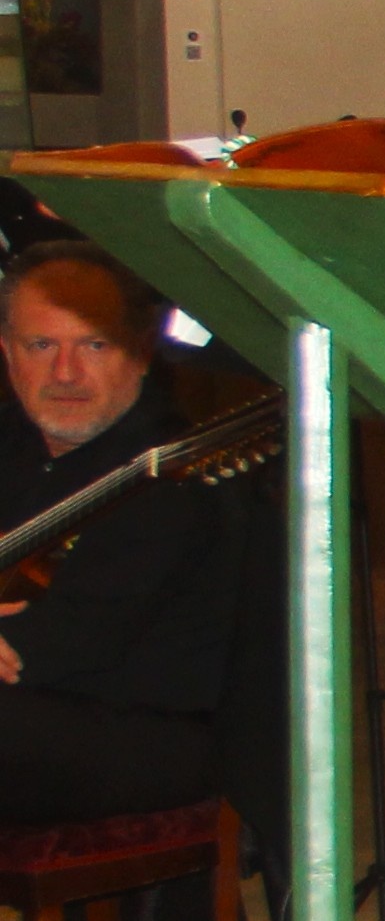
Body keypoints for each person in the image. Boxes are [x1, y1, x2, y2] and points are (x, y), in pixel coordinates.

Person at [0, 241, 256, 829]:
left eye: (94, 345)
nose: (66, 373)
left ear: (141, 354)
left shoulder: (172, 476)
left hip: (143, 734)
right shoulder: (11, 444)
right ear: (8, 353)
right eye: (42, 346)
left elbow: (57, 643)